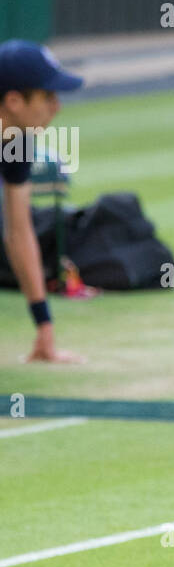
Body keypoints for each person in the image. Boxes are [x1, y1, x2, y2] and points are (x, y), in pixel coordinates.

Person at [0, 40, 84, 363]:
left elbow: (18, 232)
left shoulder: (18, 141)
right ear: (14, 101)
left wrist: (43, 327)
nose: (57, 107)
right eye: (47, 97)